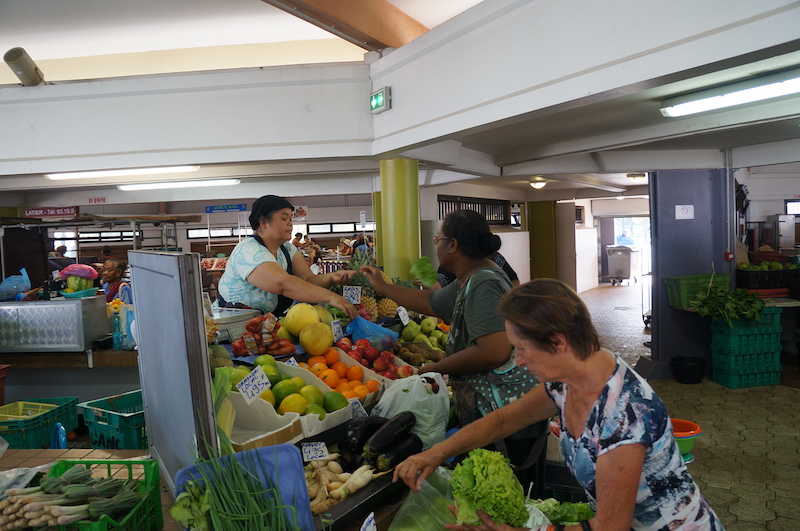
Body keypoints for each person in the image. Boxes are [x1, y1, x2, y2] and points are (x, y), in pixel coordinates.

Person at [394, 278, 724, 531]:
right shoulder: (565, 380)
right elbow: (503, 421)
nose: (518, 361)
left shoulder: (625, 413)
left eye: (521, 348)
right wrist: (434, 453)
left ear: (557, 342)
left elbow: (610, 527)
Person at [360, 210, 539, 473]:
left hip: (505, 417)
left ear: (453, 244)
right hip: (496, 413)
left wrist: (436, 367)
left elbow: (494, 351)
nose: (436, 246)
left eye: (438, 239)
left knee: (508, 492)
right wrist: (383, 286)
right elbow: (431, 302)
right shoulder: (471, 277)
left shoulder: (483, 283)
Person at [216, 195, 357, 317]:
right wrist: (330, 296)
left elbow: (307, 280)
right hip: (232, 328)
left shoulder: (286, 248)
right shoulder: (249, 250)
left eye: (291, 218)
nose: (290, 223)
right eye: (284, 218)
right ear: (264, 222)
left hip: (265, 327)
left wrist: (331, 277)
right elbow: (283, 284)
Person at [435, 251, 520, 289]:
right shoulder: (449, 261)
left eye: (439, 239)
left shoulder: (493, 256)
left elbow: (514, 280)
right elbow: (438, 291)